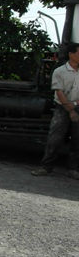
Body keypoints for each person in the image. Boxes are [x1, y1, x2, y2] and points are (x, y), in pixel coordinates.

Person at [32, 42, 79, 179]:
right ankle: (46, 167)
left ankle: (73, 169)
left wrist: (74, 106)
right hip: (61, 108)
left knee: (77, 140)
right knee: (55, 138)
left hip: (76, 107)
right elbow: (59, 92)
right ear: (71, 54)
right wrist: (70, 110)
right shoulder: (60, 71)